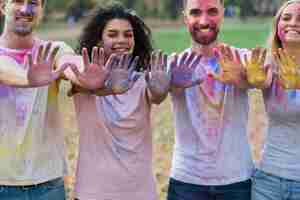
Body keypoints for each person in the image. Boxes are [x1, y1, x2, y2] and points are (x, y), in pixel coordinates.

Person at [66, 3, 197, 200]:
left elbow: (157, 96)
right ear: (98, 40)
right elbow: (80, 83)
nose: (122, 40)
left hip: (140, 192)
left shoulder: (142, 79)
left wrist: (161, 89)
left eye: (128, 34)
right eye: (112, 34)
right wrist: (108, 88)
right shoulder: (84, 75)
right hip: (92, 193)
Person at [166, 0, 254, 199]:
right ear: (185, 17)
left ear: (222, 14)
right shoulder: (174, 64)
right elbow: (155, 94)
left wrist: (243, 80)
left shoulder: (242, 59)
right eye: (195, 13)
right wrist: (170, 84)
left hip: (237, 181)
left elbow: (262, 80)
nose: (204, 20)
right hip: (186, 182)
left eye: (212, 11)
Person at [0, 0, 76, 199]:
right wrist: (28, 79)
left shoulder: (56, 51)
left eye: (33, 3)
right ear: (2, 6)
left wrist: (86, 76)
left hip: (48, 186)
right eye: (17, 1)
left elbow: (71, 64)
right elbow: (4, 69)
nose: (26, 9)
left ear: (42, 10)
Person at [251, 0, 300, 199]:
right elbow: (256, 80)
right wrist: (249, 80)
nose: (293, 22)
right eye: (286, 18)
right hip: (268, 179)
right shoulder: (268, 65)